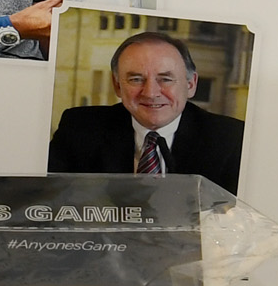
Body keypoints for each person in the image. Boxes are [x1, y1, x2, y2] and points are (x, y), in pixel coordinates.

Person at [46, 28, 246, 192]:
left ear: (191, 84)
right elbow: (50, 198)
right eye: (136, 79)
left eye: (165, 79)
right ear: (117, 86)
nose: (150, 93)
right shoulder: (80, 128)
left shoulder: (230, 139)